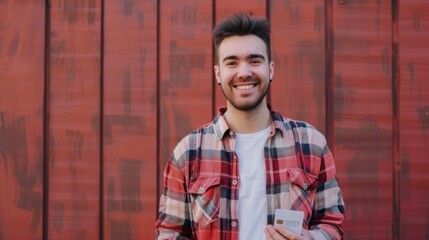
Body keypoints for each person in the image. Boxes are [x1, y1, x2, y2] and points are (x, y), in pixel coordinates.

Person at [156, 13, 345, 240]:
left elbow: (332, 223)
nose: (244, 72)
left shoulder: (311, 144)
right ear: (218, 74)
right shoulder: (188, 152)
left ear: (271, 70)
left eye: (255, 61)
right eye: (232, 62)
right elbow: (170, 232)